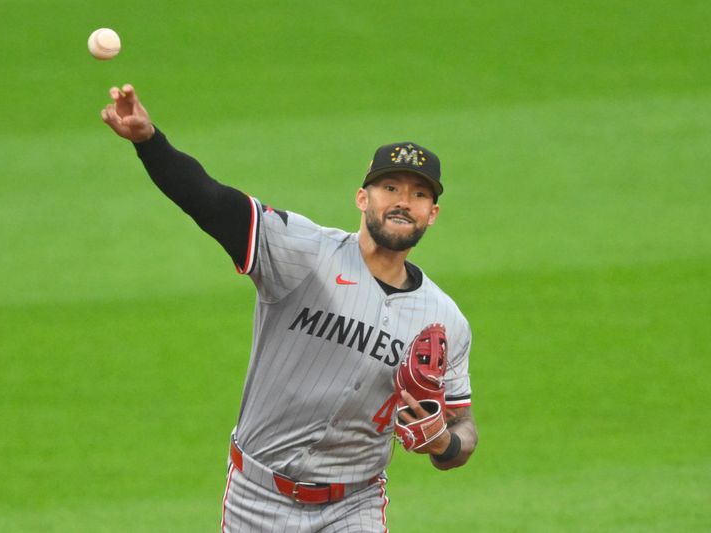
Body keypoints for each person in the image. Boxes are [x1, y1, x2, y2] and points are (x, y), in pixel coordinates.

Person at [101, 84, 478, 532]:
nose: (402, 201)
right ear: (362, 199)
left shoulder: (444, 319)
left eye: (418, 195)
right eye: (389, 187)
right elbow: (211, 201)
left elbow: (463, 426)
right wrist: (149, 142)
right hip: (257, 497)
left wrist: (444, 444)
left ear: (432, 213)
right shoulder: (301, 252)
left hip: (353, 505)